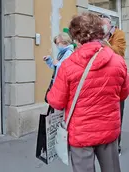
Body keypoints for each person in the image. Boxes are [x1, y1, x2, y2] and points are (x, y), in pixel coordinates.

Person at [47, 12, 129, 172]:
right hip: (109, 130)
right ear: (100, 32)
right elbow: (123, 94)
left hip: (80, 133)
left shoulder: (68, 65)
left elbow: (56, 101)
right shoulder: (118, 62)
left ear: (76, 37)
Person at [99, 13, 127, 156]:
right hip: (100, 80)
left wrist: (105, 44)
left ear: (110, 24)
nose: (101, 27)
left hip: (116, 81)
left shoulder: (119, 34)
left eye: (103, 24)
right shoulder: (98, 34)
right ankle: (103, 143)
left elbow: (119, 52)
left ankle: (117, 145)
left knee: (117, 115)